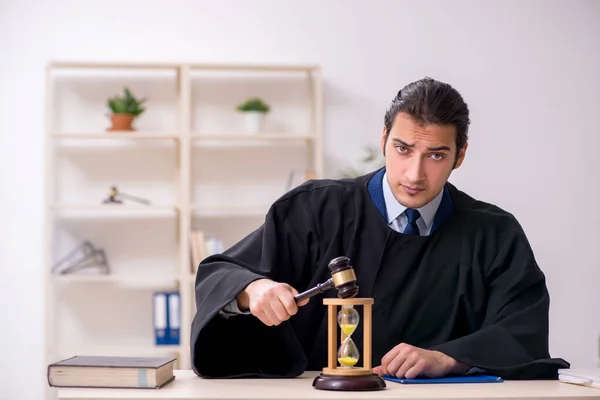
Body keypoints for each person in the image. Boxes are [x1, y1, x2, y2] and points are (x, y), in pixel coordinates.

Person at [190, 77, 569, 380]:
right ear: (384, 139)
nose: (414, 174)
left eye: (436, 155)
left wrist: (448, 358)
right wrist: (252, 290)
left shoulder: (494, 234)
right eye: (403, 149)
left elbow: (524, 330)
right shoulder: (314, 208)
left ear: (460, 155)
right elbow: (219, 273)